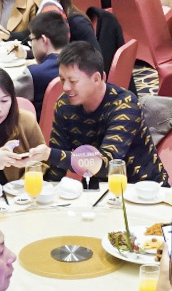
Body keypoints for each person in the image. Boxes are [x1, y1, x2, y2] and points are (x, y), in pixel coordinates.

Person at [40, 41, 155, 187]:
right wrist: (48, 191)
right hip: (96, 190)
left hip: (143, 189)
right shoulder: (64, 105)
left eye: (73, 81)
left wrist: (49, 154)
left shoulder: (125, 105)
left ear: (96, 78)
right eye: (62, 80)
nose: (65, 87)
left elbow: (107, 164)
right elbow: (57, 166)